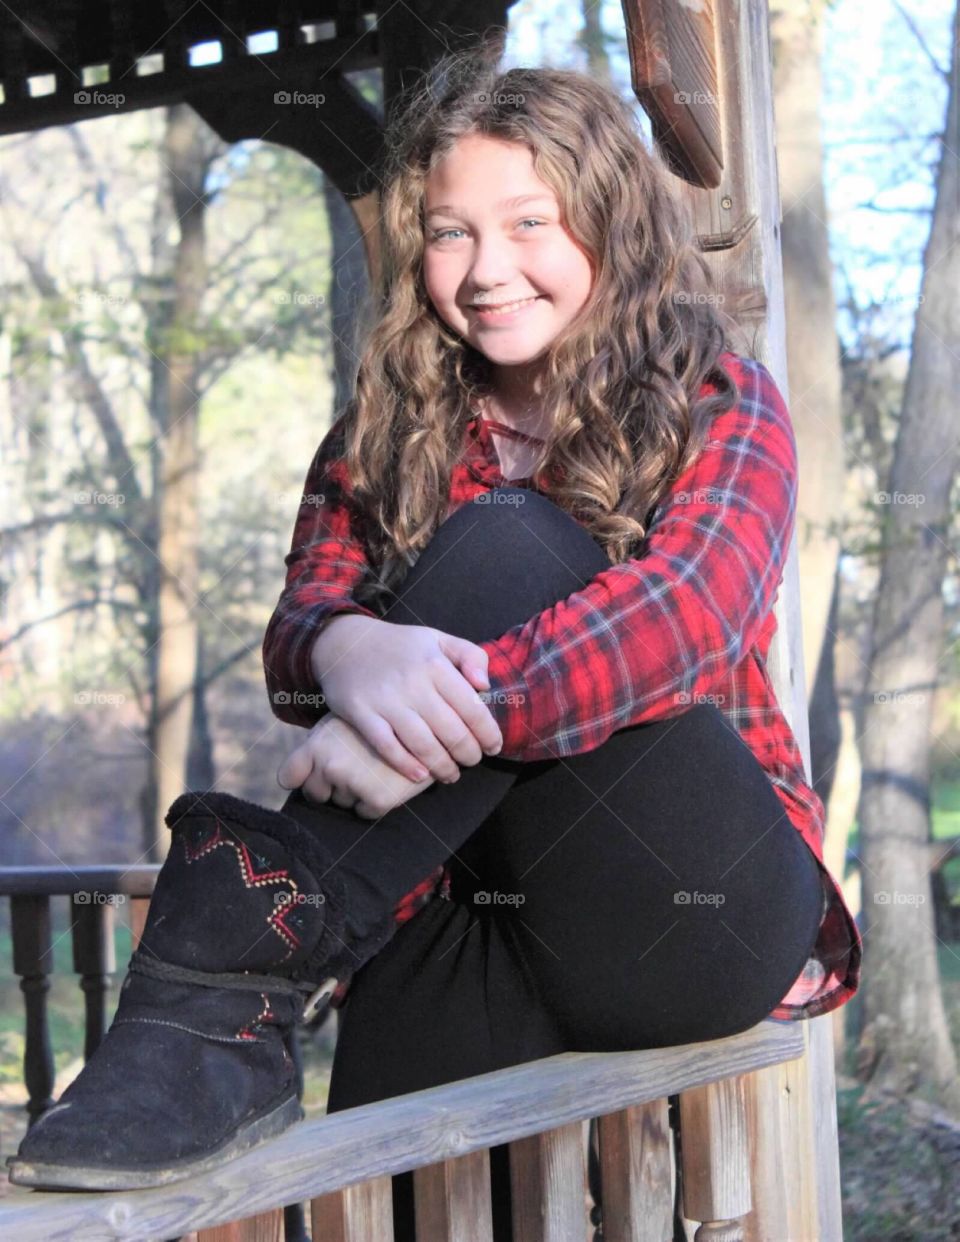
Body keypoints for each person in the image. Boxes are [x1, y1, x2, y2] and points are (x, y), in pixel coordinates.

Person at [8, 37, 861, 1218]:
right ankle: (223, 1018)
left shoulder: (723, 400)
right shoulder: (384, 428)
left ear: (609, 228)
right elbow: (300, 627)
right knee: (400, 1199)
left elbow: (689, 620)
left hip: (685, 904)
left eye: (529, 225)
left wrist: (404, 730)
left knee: (508, 540)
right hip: (453, 899)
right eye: (451, 230)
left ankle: (213, 976)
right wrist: (348, 652)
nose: (484, 268)